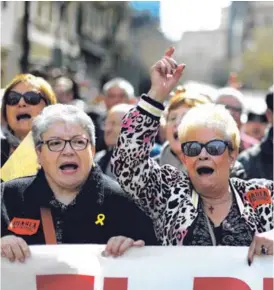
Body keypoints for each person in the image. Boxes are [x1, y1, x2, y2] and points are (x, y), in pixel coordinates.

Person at [111, 48, 274, 264]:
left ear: (233, 154)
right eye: (193, 148)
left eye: (214, 147)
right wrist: (156, 95)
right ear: (185, 158)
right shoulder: (167, 192)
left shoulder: (263, 196)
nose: (203, 155)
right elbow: (127, 163)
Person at [1, 104, 158, 263]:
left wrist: (135, 250)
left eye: (78, 142)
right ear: (39, 153)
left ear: (93, 150)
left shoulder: (125, 203)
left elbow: (152, 268)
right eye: (55, 143)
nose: (68, 151)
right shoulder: (7, 197)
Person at [1, 74, 57, 167]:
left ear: (49, 106)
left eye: (32, 98)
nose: (21, 103)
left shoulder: (65, 149)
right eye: (13, 98)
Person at [237, 87, 273, 180]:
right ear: (269, 115)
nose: (257, 124)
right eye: (252, 119)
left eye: (261, 121)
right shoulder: (247, 163)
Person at [215, 87, 259, 152]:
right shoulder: (200, 142)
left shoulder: (253, 149)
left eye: (236, 109)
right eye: (225, 107)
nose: (230, 112)